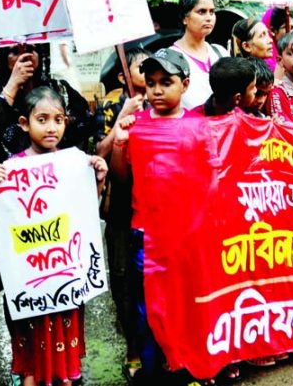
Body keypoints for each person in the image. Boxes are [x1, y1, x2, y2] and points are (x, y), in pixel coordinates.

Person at [0, 87, 108, 386]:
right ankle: (30, 376)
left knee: (63, 347)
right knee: (32, 349)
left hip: (64, 274)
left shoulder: (75, 162)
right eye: (42, 119)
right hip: (30, 279)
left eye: (58, 119)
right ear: (25, 123)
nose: (51, 127)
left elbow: (86, 213)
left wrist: (99, 180)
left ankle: (64, 377)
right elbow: (0, 221)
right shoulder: (10, 168)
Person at [109, 49, 203, 383]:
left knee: (187, 304)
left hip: (188, 236)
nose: (157, 90)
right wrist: (120, 143)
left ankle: (189, 369)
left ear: (186, 84)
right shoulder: (137, 127)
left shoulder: (199, 126)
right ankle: (152, 372)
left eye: (166, 82)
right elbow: (121, 178)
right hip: (145, 237)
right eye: (150, 83)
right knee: (149, 310)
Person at [93, 46, 149, 381]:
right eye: (143, 68)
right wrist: (123, 117)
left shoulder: (161, 103)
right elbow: (99, 150)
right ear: (122, 75)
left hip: (155, 206)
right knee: (125, 280)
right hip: (122, 208)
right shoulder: (113, 102)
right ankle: (132, 349)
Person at [0, 44, 94, 165]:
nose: (24, 56)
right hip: (11, 176)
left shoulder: (57, 88)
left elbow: (87, 123)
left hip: (57, 171)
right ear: (4, 58)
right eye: (15, 51)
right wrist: (13, 84)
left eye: (30, 50)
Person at [166, 0, 229, 109]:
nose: (209, 17)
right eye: (202, 12)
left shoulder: (220, 52)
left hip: (222, 124)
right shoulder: (171, 57)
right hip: (188, 125)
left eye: (212, 12)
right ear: (185, 18)